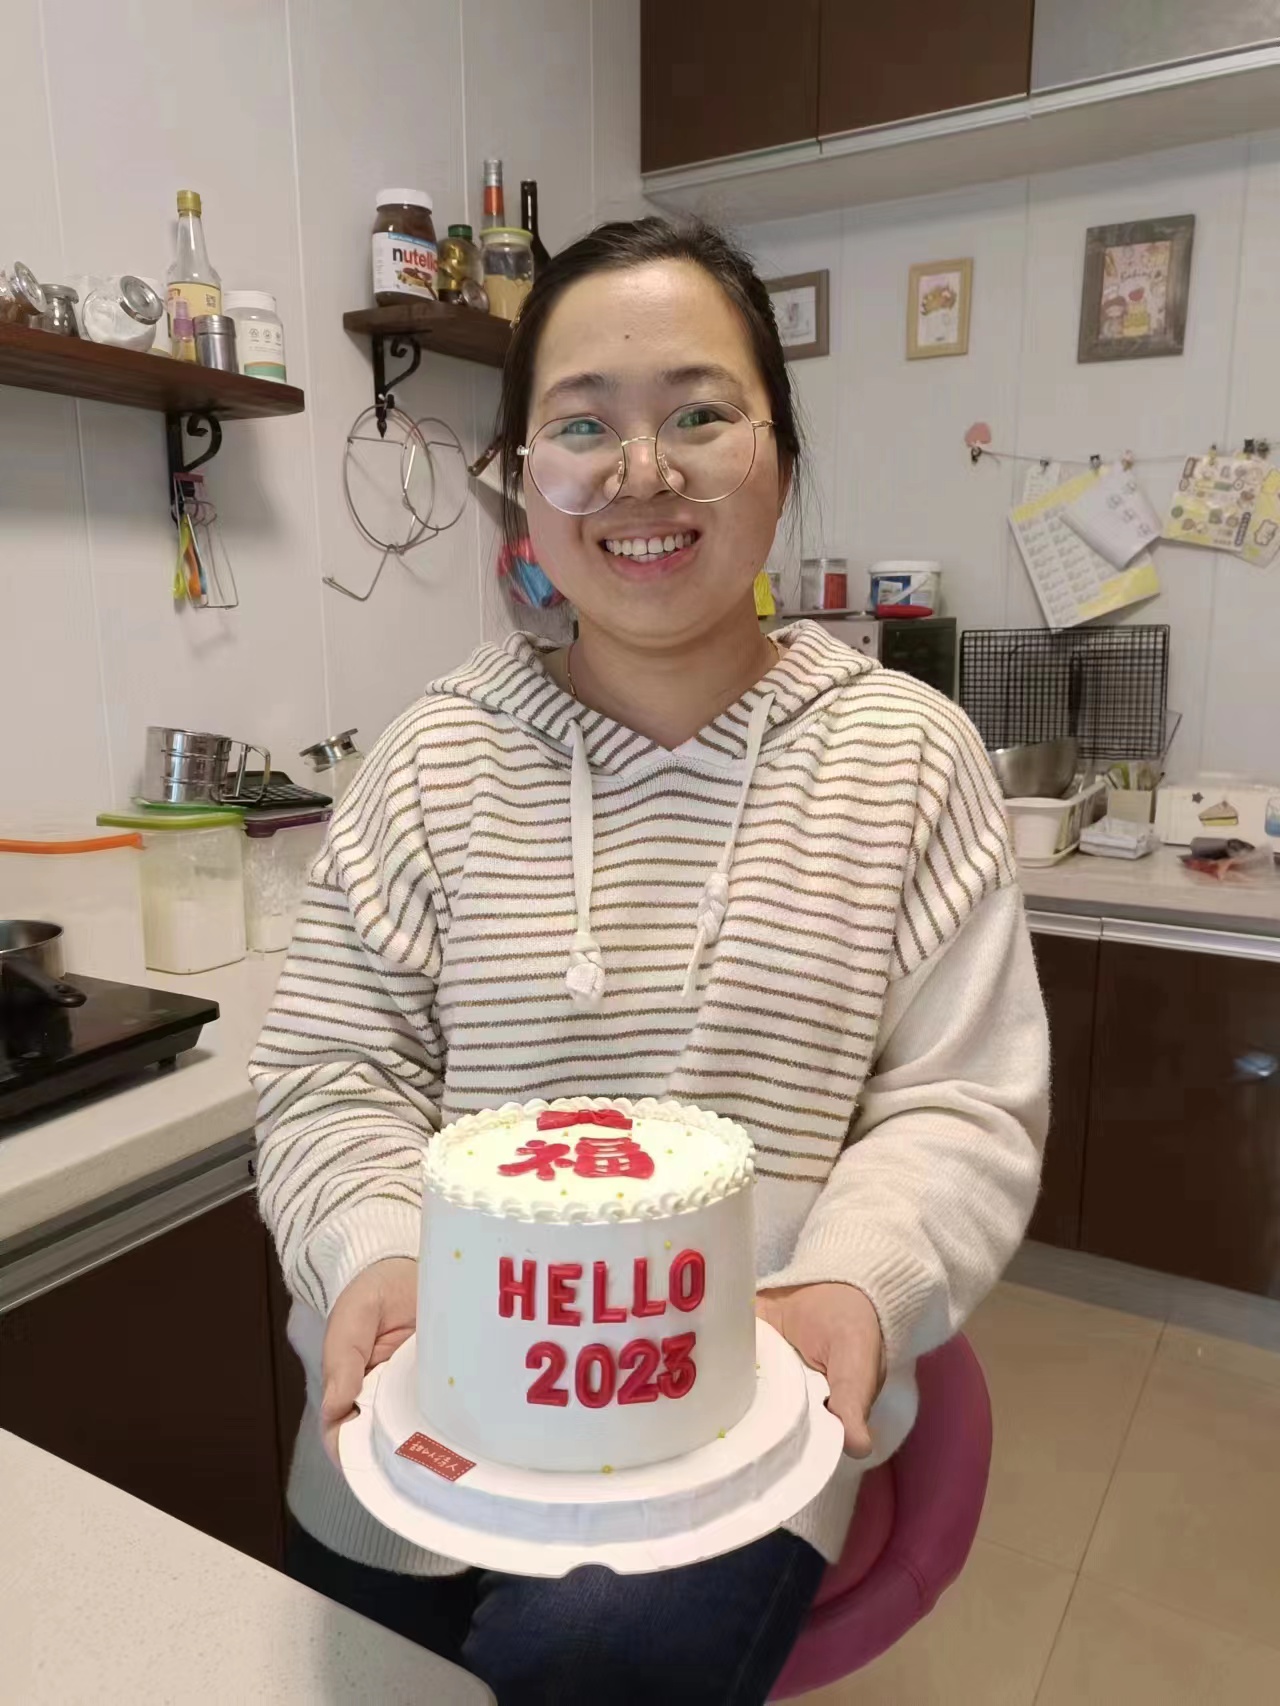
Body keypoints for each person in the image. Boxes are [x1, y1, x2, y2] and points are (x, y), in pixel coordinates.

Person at [252, 216, 1048, 1705]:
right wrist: (376, 1254)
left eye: (698, 415)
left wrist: (855, 1285)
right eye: (581, 426)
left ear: (779, 458)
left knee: (590, 1670)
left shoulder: (908, 758)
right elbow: (333, 1073)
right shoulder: (429, 760)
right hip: (434, 1388)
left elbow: (961, 1100)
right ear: (524, 482)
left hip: (739, 1405)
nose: (640, 473)